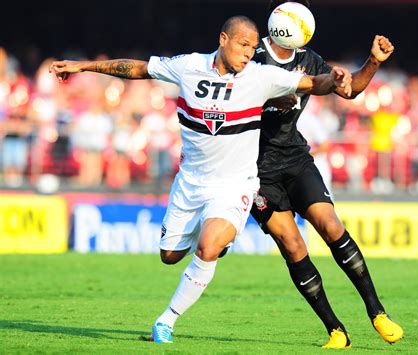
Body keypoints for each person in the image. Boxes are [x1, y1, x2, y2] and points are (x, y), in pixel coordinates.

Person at [50, 16, 352, 345]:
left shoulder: (260, 77)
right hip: (191, 182)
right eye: (243, 45)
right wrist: (82, 66)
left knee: (208, 247)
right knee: (169, 255)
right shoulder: (189, 67)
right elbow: (136, 68)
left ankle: (166, 321)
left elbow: (311, 85)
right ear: (223, 39)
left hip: (236, 184)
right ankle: (215, 240)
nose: (249, 53)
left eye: (253, 47)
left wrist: (331, 79)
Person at [248, 0, 403, 348]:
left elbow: (348, 89)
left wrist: (373, 62)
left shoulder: (309, 60)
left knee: (331, 226)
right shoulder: (251, 60)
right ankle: (335, 330)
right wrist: (268, 103)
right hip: (254, 173)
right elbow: (231, 104)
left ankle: (377, 312)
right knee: (292, 245)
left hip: (295, 160)